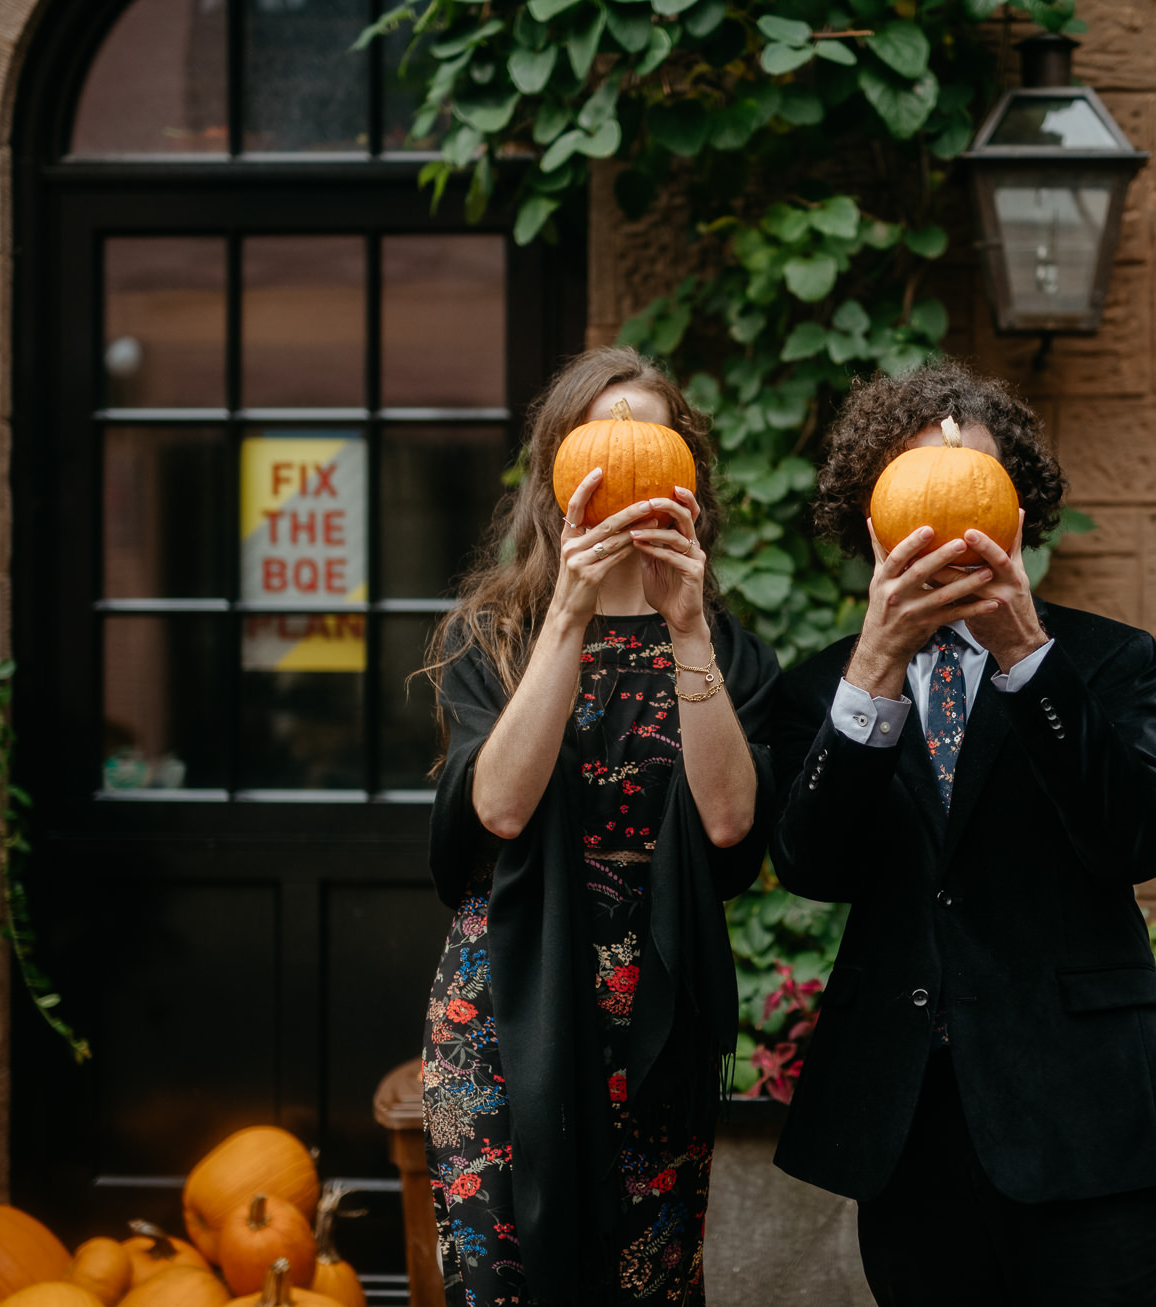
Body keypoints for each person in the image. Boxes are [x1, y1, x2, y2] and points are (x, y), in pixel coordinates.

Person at [770, 362, 1156, 1305]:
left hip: (1091, 1117)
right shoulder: (822, 689)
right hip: (910, 1124)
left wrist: (1024, 654)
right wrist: (876, 667)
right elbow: (809, 862)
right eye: (920, 486)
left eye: (977, 485)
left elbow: (1141, 837)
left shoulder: (1106, 661)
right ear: (875, 515)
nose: (951, 516)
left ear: (1016, 513)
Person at [419, 346, 780, 1306]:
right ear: (559, 471)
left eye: (649, 433)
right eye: (603, 430)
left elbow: (733, 820)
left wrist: (688, 627)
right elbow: (495, 806)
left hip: (657, 995)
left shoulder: (727, 646)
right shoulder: (493, 635)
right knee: (506, 1280)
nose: (626, 454)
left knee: (644, 1280)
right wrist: (569, 614)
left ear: (685, 474)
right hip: (510, 985)